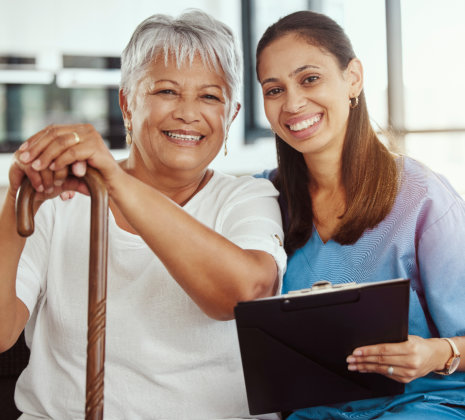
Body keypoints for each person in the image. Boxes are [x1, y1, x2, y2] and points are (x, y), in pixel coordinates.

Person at [0, 10, 286, 419]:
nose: (188, 112)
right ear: (126, 103)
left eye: (210, 96)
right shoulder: (61, 204)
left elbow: (243, 295)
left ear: (232, 115)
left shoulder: (246, 196)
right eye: (167, 91)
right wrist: (16, 202)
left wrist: (115, 181)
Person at [255, 10, 465, 419]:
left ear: (353, 78)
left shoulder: (423, 197)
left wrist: (437, 352)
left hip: (421, 405)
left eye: (309, 78)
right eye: (274, 89)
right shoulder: (263, 198)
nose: (293, 102)